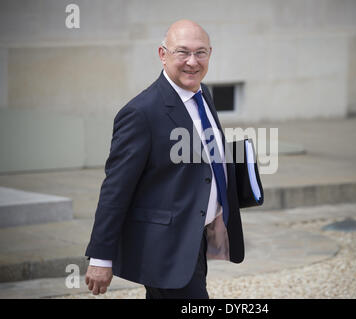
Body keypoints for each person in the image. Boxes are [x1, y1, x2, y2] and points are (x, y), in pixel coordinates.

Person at [84, 19, 244, 299]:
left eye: (200, 52)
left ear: (210, 54)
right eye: (182, 52)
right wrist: (101, 258)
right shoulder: (141, 113)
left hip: (194, 237)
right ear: (163, 54)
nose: (192, 62)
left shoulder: (203, 94)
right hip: (164, 247)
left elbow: (204, 161)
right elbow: (115, 189)